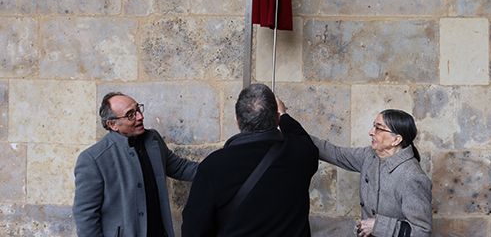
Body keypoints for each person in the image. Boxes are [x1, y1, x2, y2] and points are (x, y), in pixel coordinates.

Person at [181, 83, 319, 237]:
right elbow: (303, 139)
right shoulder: (300, 154)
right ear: (276, 118)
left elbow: (193, 229)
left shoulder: (213, 166)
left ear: (237, 121)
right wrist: (284, 115)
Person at [73, 92, 199, 237]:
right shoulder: (92, 159)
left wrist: (220, 168)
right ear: (113, 124)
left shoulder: (153, 139)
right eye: (130, 115)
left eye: (138, 109)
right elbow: (85, 216)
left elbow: (180, 167)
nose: (140, 117)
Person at [293, 107, 432, 237]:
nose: (371, 132)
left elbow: (421, 231)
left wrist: (378, 225)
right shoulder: (370, 155)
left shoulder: (412, 177)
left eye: (379, 128)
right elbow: (335, 153)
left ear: (396, 140)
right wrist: (290, 129)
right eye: (374, 126)